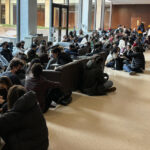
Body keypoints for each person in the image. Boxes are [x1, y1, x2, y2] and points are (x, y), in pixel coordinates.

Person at [0, 85, 49, 150]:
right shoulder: (32, 104)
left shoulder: (17, 114)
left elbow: (3, 122)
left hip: (34, 147)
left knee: (5, 133)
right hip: (43, 144)